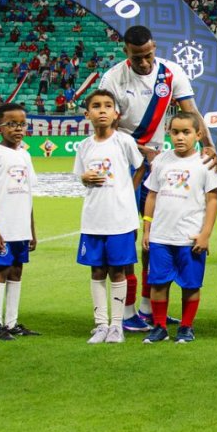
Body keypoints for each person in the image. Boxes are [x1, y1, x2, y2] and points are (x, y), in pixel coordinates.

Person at [98, 25, 214, 333]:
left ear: (154, 49)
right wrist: (136, 147)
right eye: (138, 57)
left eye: (149, 55)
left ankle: (150, 308)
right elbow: (104, 126)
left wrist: (209, 145)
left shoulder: (171, 73)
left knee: (156, 238)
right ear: (126, 52)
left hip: (157, 167)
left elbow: (191, 112)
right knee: (126, 237)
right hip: (123, 167)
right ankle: (126, 311)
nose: (145, 63)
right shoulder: (112, 79)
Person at [140, 111, 217, 344]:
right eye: (175, 132)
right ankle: (159, 326)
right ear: (169, 133)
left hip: (189, 237)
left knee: (191, 284)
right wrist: (147, 229)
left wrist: (205, 235)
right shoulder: (162, 161)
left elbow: (212, 200)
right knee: (157, 282)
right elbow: (152, 196)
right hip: (160, 236)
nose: (180, 137)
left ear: (198, 134)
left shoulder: (205, 164)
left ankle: (186, 327)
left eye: (186, 132)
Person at [74, 89, 143, 345]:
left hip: (119, 219)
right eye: (96, 106)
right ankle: (101, 324)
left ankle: (117, 326)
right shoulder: (84, 146)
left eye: (107, 106)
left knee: (117, 271)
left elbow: (141, 166)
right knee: (96, 270)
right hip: (93, 219)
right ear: (87, 113)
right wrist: (83, 178)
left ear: (116, 113)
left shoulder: (123, 142)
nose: (102, 110)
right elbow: (81, 176)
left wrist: (128, 191)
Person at [0, 103, 38, 341]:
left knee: (17, 271)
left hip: (21, 227)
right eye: (11, 124)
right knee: (1, 270)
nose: (18, 129)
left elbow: (28, 194)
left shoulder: (25, 154)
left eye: (22, 124)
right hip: (1, 226)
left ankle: (11, 323)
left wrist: (32, 231)